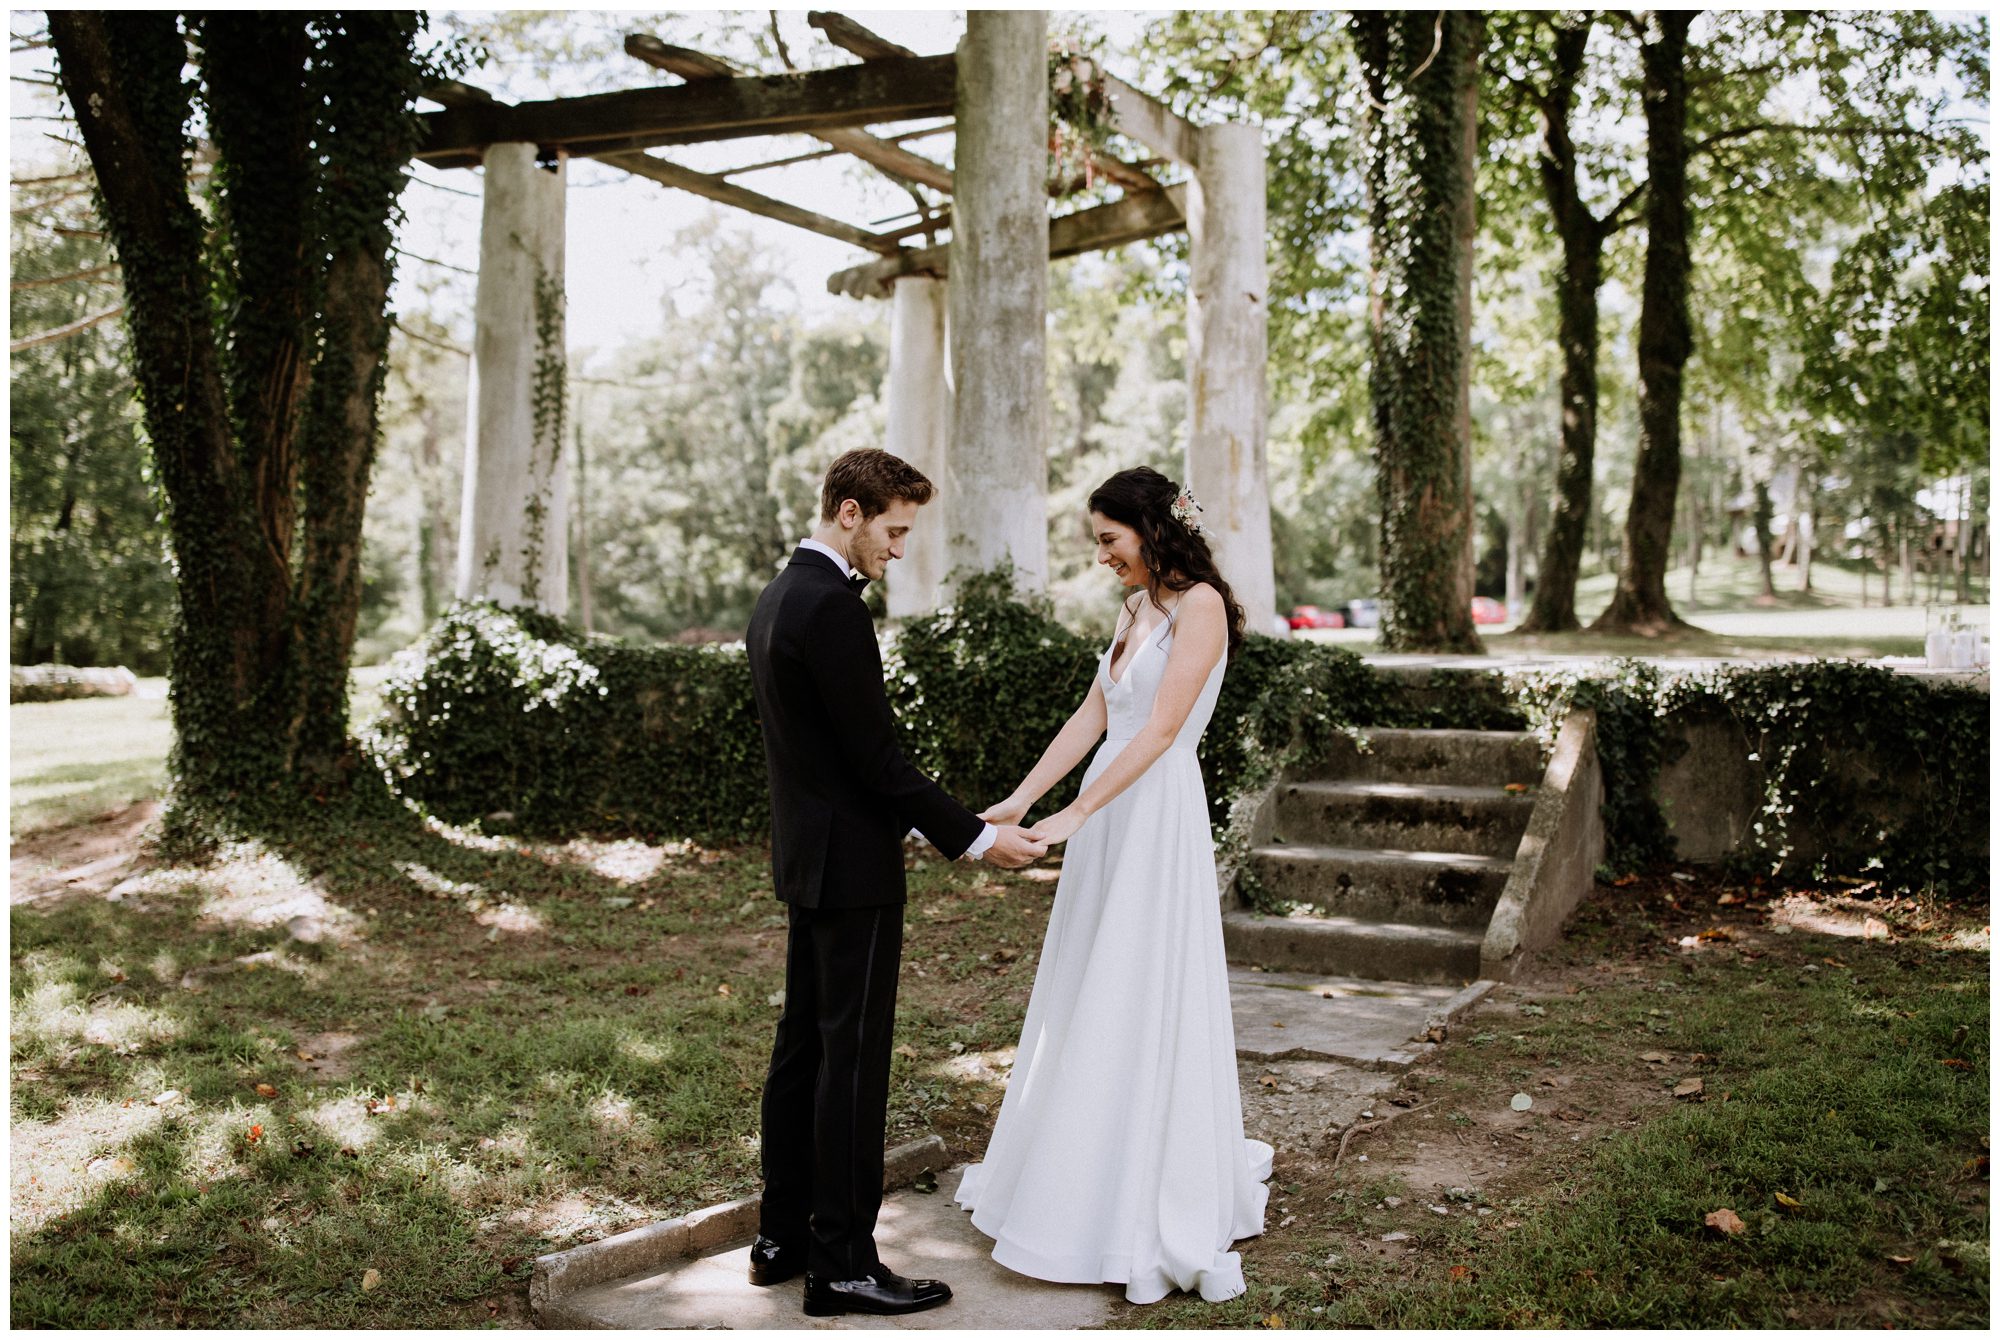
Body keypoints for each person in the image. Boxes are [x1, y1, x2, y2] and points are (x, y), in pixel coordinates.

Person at [955, 465, 1272, 1305]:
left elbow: (1164, 729)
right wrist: (1027, 797)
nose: (1101, 557)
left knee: (1138, 981)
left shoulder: (1199, 604)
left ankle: (1131, 1185)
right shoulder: (1135, 607)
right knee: (1088, 982)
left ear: (1153, 529)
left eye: (1108, 539)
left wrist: (1079, 815)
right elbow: (1096, 716)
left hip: (1152, 809)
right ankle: (1072, 1163)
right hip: (1109, 800)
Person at [744, 448, 1046, 1319]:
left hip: (809, 860)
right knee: (852, 1063)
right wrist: (978, 838)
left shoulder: (779, 597)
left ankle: (783, 1237)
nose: (900, 549)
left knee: (803, 1051)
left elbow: (833, 759)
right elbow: (878, 762)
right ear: (849, 512)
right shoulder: (833, 610)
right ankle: (840, 1263)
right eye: (894, 529)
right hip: (854, 872)